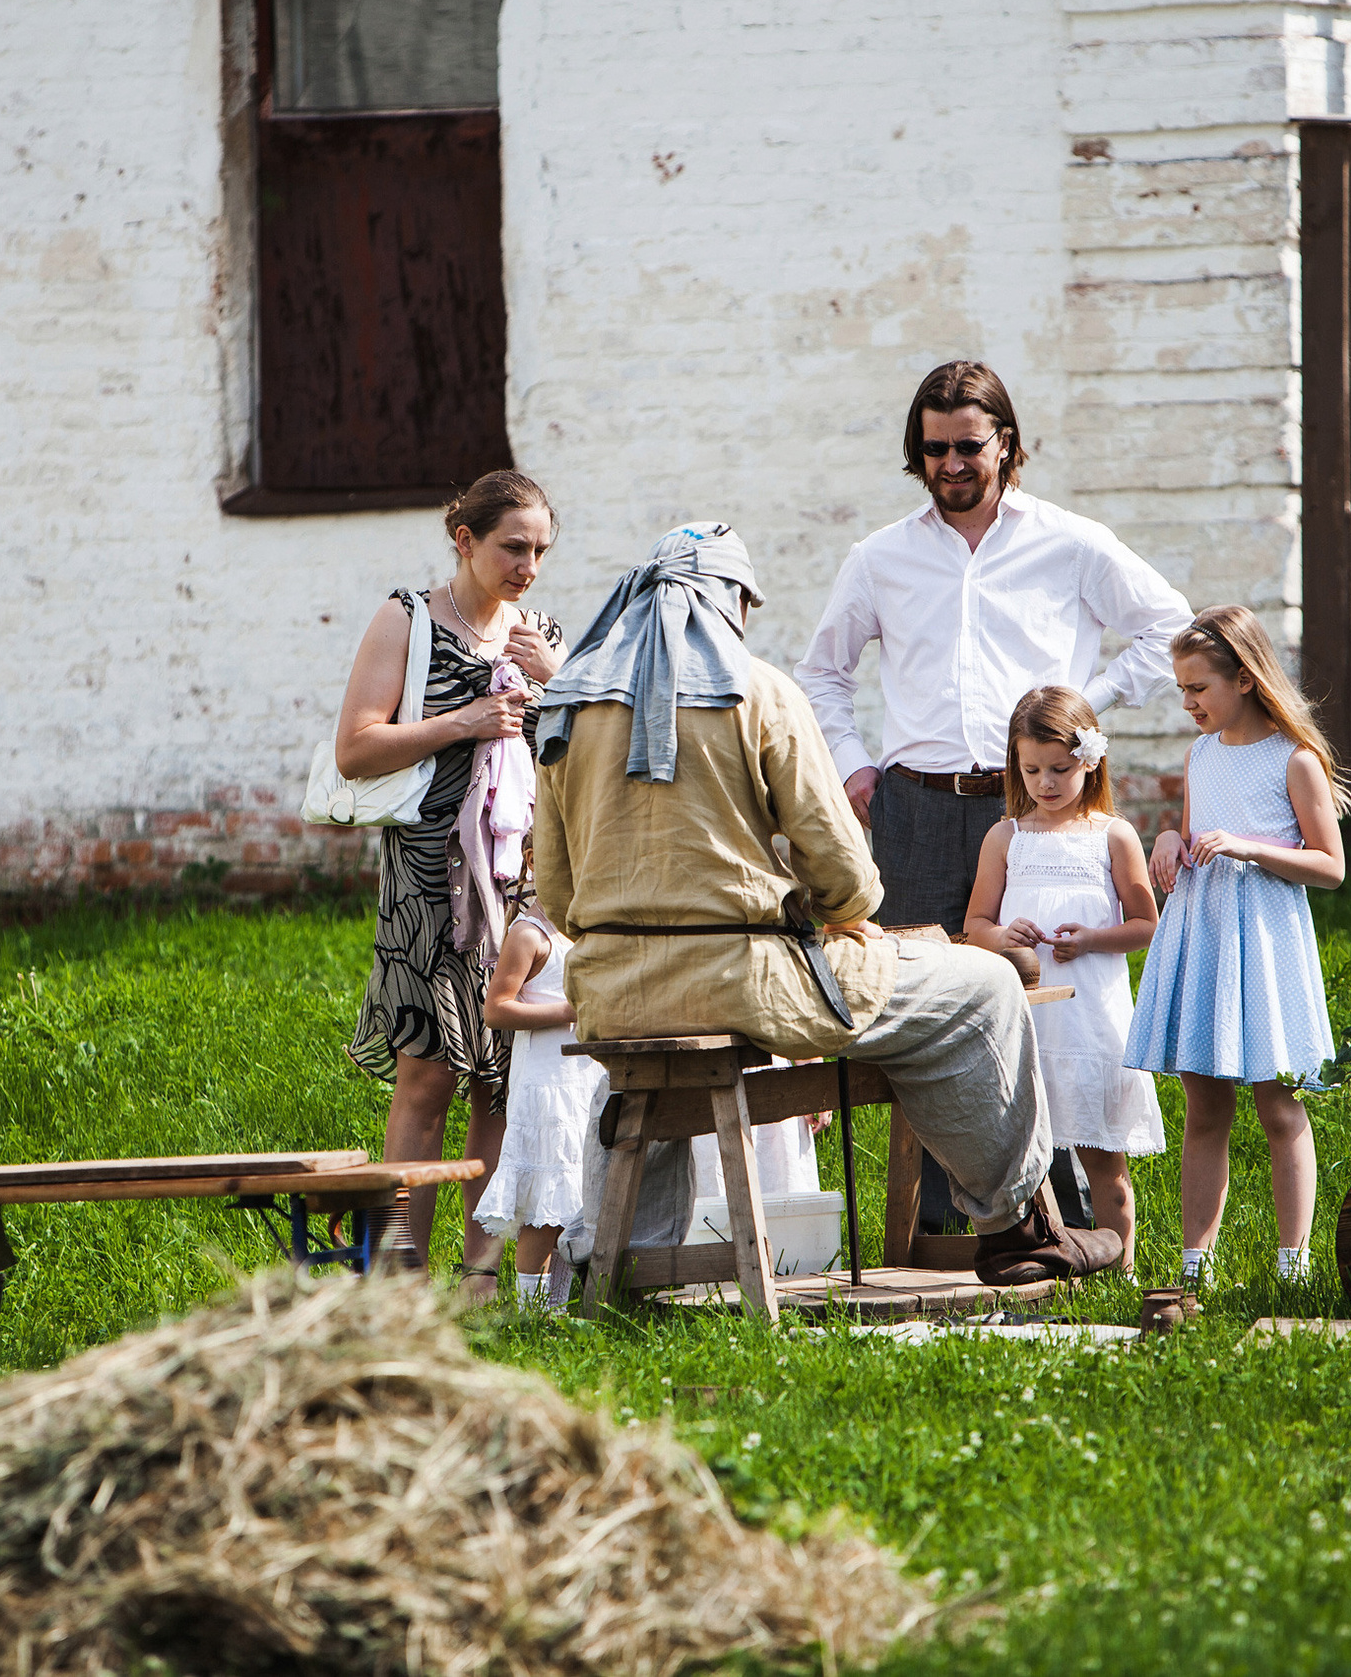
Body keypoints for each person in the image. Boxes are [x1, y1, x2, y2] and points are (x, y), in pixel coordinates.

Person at [532, 522, 1123, 1287]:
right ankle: (1020, 1227)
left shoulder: (568, 701)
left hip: (615, 988)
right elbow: (846, 875)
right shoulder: (759, 691)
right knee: (982, 989)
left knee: (640, 1079)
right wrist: (828, 906)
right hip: (739, 981)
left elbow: (557, 892)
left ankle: (610, 1268)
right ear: (731, 602)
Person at [796, 358, 1191, 1225]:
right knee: (927, 1011)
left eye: (967, 446)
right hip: (920, 810)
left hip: (1041, 811)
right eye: (934, 449)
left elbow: (1172, 628)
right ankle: (946, 1223)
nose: (950, 464)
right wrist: (858, 767)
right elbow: (821, 673)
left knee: (1049, 1009)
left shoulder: (1072, 542)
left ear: (1005, 444)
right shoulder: (880, 557)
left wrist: (1087, 713)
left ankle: (1066, 1220)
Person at [334, 470, 566, 1296]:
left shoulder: (543, 637)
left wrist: (561, 683)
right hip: (429, 880)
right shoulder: (407, 619)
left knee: (504, 1078)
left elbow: (578, 763)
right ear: (464, 538)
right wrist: (461, 723)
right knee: (427, 1077)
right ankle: (400, 1275)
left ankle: (480, 1278)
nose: (528, 565)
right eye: (513, 546)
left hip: (521, 884)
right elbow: (356, 748)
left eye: (540, 549)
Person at [1122, 606, 1351, 1286]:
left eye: (1199, 688)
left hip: (1265, 941)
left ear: (1245, 679)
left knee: (1279, 1105)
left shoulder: (1294, 759)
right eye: (1182, 688)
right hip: (1207, 934)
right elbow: (1195, 835)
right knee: (1204, 1106)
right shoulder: (1200, 755)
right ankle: (1196, 1264)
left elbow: (1331, 866)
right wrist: (1168, 839)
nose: (1188, 702)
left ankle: (1293, 1266)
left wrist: (1249, 846)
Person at [962, 686, 1162, 1273]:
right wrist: (1004, 937)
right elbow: (975, 923)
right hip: (1027, 1023)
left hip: (1092, 1020)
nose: (1045, 783)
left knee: (1106, 1161)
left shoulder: (1113, 836)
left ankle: (1119, 1272)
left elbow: (1145, 923)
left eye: (1060, 769)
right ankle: (1036, 1260)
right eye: (1031, 770)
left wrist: (1091, 939)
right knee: (1024, 1155)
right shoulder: (1007, 839)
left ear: (1090, 761)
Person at [472, 902, 603, 1305]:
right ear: (531, 861)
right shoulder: (530, 934)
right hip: (546, 1086)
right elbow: (496, 1008)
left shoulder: (586, 927)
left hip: (582, 1079)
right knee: (543, 1204)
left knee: (571, 1199)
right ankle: (533, 1308)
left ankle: (556, 1307)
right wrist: (567, 1011)